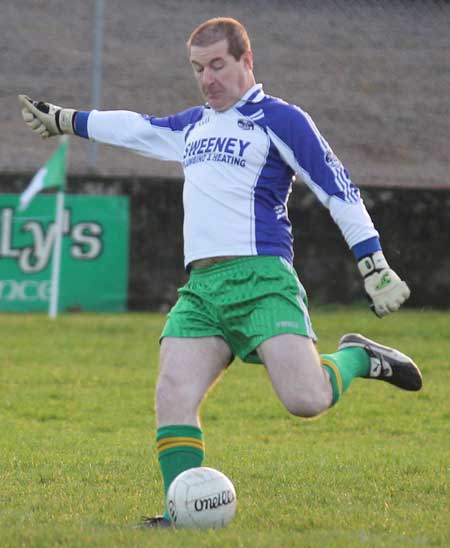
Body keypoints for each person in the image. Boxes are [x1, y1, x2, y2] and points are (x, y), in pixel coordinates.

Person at [19, 17, 422, 529]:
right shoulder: (194, 125)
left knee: (306, 399)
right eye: (197, 69)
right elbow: (135, 126)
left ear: (246, 62)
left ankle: (359, 357)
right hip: (202, 290)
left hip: (262, 282)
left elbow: (337, 187)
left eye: (217, 66)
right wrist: (66, 119)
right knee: (172, 394)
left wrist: (374, 263)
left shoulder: (281, 119)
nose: (207, 79)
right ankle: (176, 512)